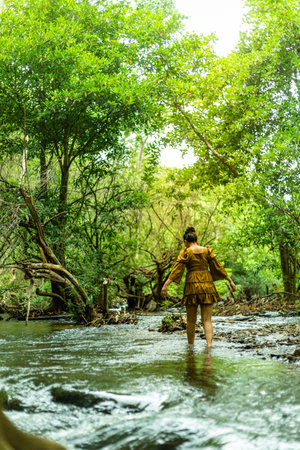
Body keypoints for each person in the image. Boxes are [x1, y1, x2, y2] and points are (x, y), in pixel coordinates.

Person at [161, 226, 236, 346]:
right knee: (207, 320)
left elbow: (177, 269)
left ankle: (190, 347)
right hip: (207, 285)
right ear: (196, 240)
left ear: (186, 242)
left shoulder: (186, 252)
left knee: (191, 320)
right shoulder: (207, 250)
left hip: (192, 286)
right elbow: (218, 267)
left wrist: (166, 285)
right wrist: (230, 281)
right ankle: (209, 346)